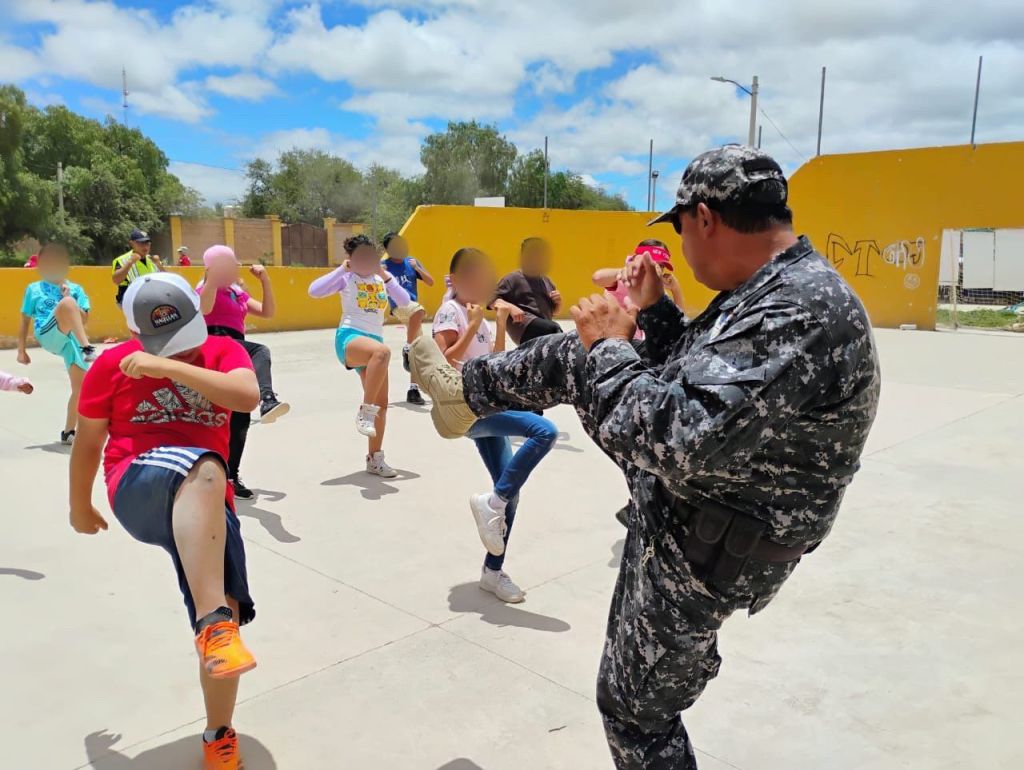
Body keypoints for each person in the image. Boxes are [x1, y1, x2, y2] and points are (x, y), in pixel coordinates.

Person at [410, 145, 881, 770]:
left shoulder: (801, 308)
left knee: (639, 716)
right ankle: (462, 396)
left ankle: (462, 396)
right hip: (704, 505)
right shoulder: (774, 288)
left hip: (709, 530)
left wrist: (610, 343)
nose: (682, 246)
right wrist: (655, 313)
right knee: (578, 358)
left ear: (705, 219)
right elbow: (700, 376)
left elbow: (682, 434)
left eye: (681, 230)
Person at [69, 272, 259, 770]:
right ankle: (213, 624)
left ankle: (219, 734)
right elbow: (89, 444)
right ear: (135, 333)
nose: (182, 352)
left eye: (185, 340)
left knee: (229, 614)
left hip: (207, 502)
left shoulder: (222, 351)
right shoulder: (110, 365)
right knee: (203, 464)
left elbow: (245, 396)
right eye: (163, 346)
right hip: (138, 485)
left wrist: (165, 367)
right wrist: (79, 505)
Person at [432, 247, 558, 603]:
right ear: (455, 279)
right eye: (470, 275)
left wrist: (498, 324)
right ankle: (492, 502)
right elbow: (443, 360)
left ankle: (492, 570)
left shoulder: (480, 317)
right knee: (543, 430)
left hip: (486, 404)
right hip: (466, 408)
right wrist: (472, 325)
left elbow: (496, 363)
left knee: (510, 492)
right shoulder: (451, 311)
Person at [308, 234, 411, 478]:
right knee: (383, 352)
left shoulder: (381, 279)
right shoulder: (347, 278)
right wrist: (341, 269)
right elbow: (314, 291)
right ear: (351, 259)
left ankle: (375, 458)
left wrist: (386, 276)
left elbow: (405, 302)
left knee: (383, 404)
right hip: (350, 338)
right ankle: (365, 411)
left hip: (374, 344)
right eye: (360, 257)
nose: (366, 261)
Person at [198, 245, 289, 500]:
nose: (234, 269)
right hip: (214, 343)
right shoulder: (203, 289)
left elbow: (268, 312)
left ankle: (230, 475)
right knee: (260, 350)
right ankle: (268, 399)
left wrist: (265, 280)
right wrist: (211, 280)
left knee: (240, 414)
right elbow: (203, 309)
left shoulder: (238, 294)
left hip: (236, 351)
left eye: (234, 265)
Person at [17, 242, 96, 444]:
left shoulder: (75, 289)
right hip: (47, 333)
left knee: (82, 387)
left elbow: (83, 319)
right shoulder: (33, 289)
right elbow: (25, 319)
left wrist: (68, 296)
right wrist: (21, 350)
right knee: (67, 304)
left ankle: (69, 432)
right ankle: (88, 348)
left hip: (69, 341)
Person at [381, 231, 434, 405]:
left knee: (417, 350)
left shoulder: (412, 262)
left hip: (413, 309)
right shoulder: (383, 266)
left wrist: (417, 268)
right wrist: (381, 274)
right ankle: (407, 347)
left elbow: (430, 281)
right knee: (419, 311)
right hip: (399, 307)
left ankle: (413, 390)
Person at [493, 236, 562, 345]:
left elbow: (555, 312)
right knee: (554, 330)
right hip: (524, 327)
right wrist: (511, 307)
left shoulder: (547, 281)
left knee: (553, 333)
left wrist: (558, 303)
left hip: (544, 329)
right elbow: (492, 299)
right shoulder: (512, 279)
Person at [592, 239, 685, 319]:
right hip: (617, 336)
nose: (656, 268)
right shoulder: (624, 280)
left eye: (661, 266)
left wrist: (675, 289)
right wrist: (629, 271)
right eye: (650, 263)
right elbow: (597, 277)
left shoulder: (658, 290)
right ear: (636, 259)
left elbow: (679, 321)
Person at [112, 228, 164, 306]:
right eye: (141, 243)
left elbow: (166, 280)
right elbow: (116, 280)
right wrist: (130, 262)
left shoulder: (153, 259)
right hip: (130, 299)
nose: (145, 246)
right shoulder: (122, 260)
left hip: (151, 298)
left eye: (147, 243)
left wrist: (159, 265)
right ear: (132, 244)